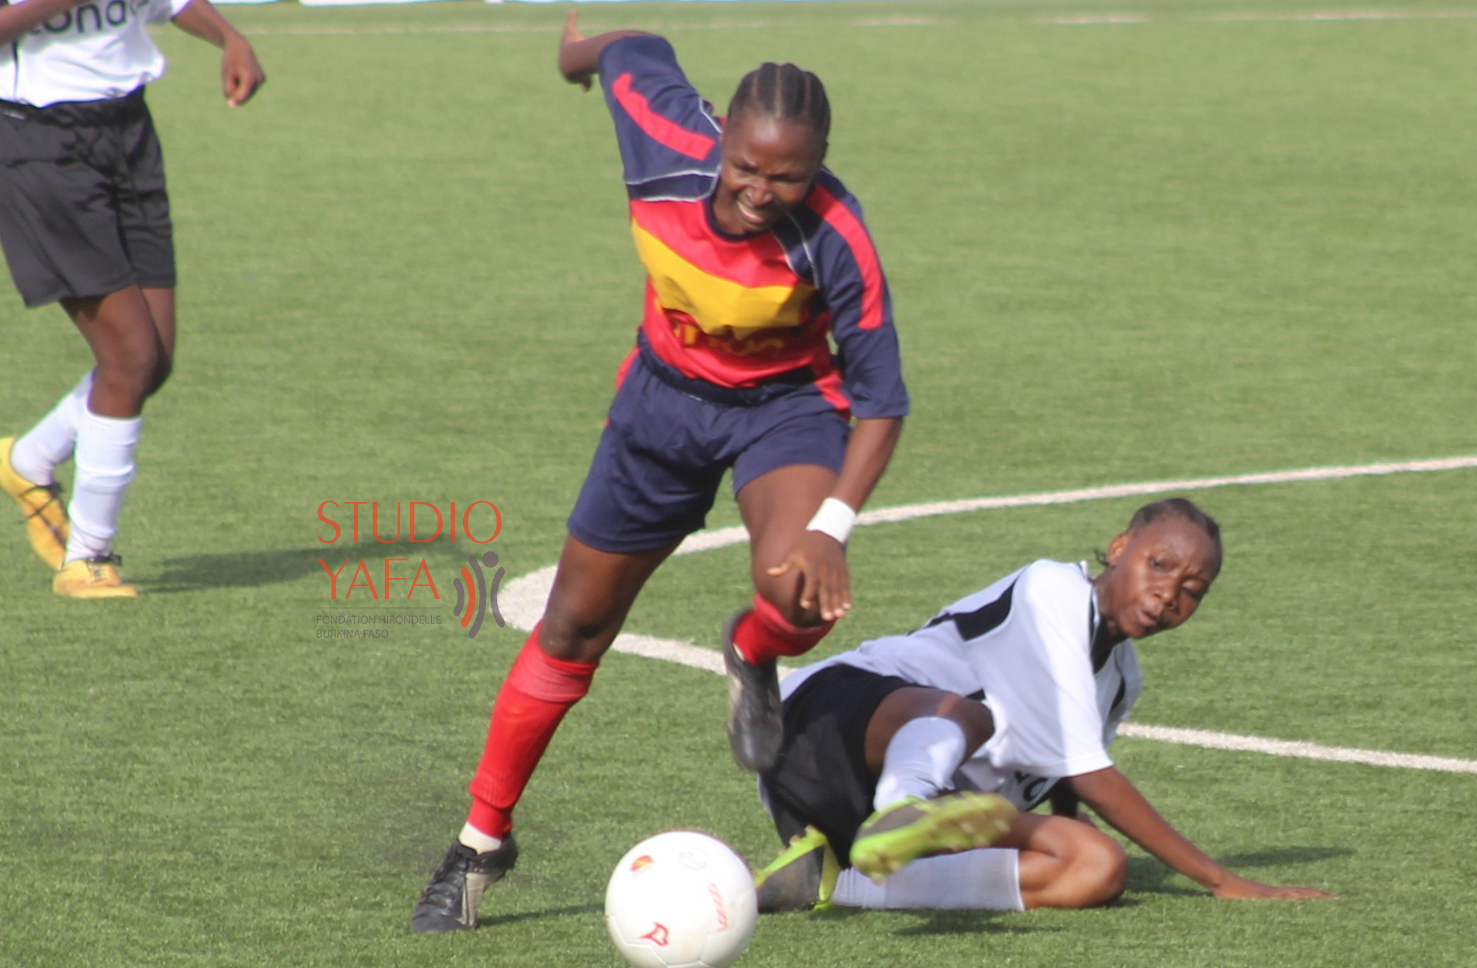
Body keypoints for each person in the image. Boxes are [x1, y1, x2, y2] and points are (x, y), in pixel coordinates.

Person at [410, 12, 908, 933]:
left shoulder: (837, 235)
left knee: (800, 595)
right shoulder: (661, 131)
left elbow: (882, 403)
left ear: (823, 161)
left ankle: (754, 647)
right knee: (572, 627)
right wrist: (573, 56)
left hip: (785, 409)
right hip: (659, 405)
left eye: (789, 175)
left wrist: (833, 526)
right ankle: (481, 841)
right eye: (748, 167)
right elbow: (622, 42)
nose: (763, 190)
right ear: (721, 138)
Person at [753, 498, 1333, 913]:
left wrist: (1065, 836)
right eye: (1159, 566)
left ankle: (837, 882)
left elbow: (1063, 776)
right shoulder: (1053, 588)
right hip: (821, 732)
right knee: (969, 713)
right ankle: (906, 806)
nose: (1168, 594)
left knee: (1099, 866)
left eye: (1192, 591)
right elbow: (1087, 770)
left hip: (899, 817)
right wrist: (1219, 878)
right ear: (1120, 548)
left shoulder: (1123, 680)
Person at [0, 0, 263, 598]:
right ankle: (87, 559)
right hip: (39, 144)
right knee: (130, 359)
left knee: (152, 363)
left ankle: (28, 461)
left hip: (127, 134)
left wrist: (229, 38)